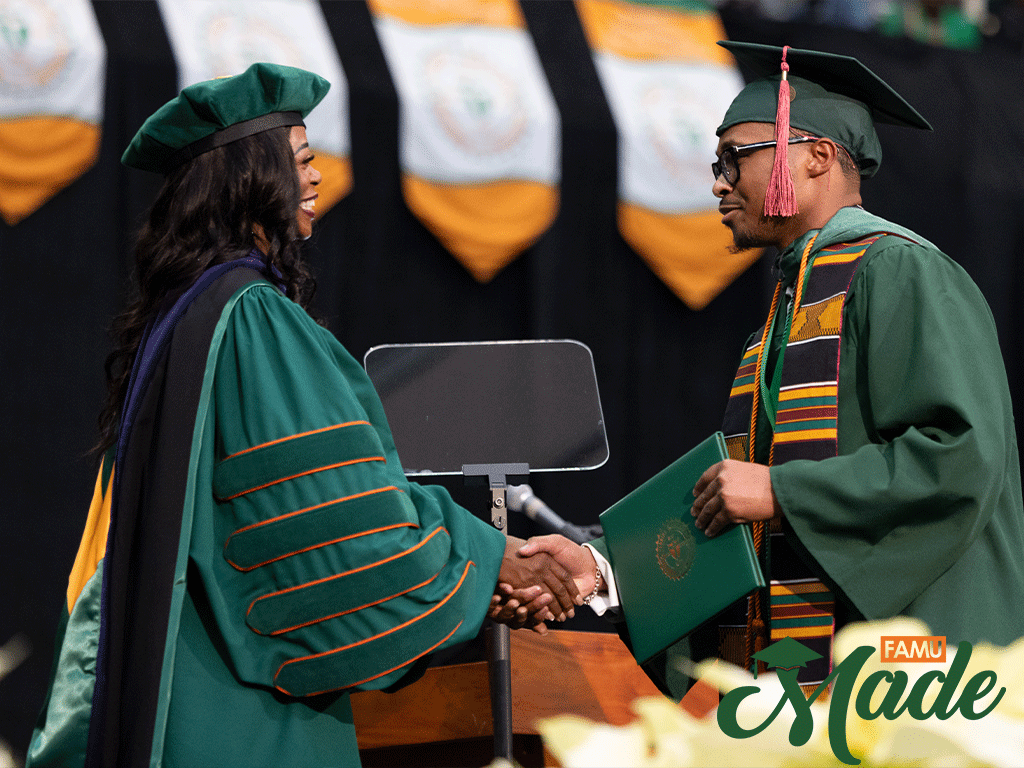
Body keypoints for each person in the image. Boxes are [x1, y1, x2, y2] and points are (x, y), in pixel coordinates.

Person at [27, 62, 578, 768]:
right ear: (249, 177)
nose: (317, 179)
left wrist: (480, 572)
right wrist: (490, 561)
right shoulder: (254, 318)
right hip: (237, 708)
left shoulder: (188, 313)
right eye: (303, 161)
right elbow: (338, 516)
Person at [498, 41, 1024, 694]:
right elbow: (735, 502)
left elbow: (960, 456)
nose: (718, 181)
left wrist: (783, 493)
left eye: (734, 158)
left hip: (915, 671)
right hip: (816, 679)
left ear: (818, 156)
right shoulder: (789, 310)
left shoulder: (902, 273)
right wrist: (603, 567)